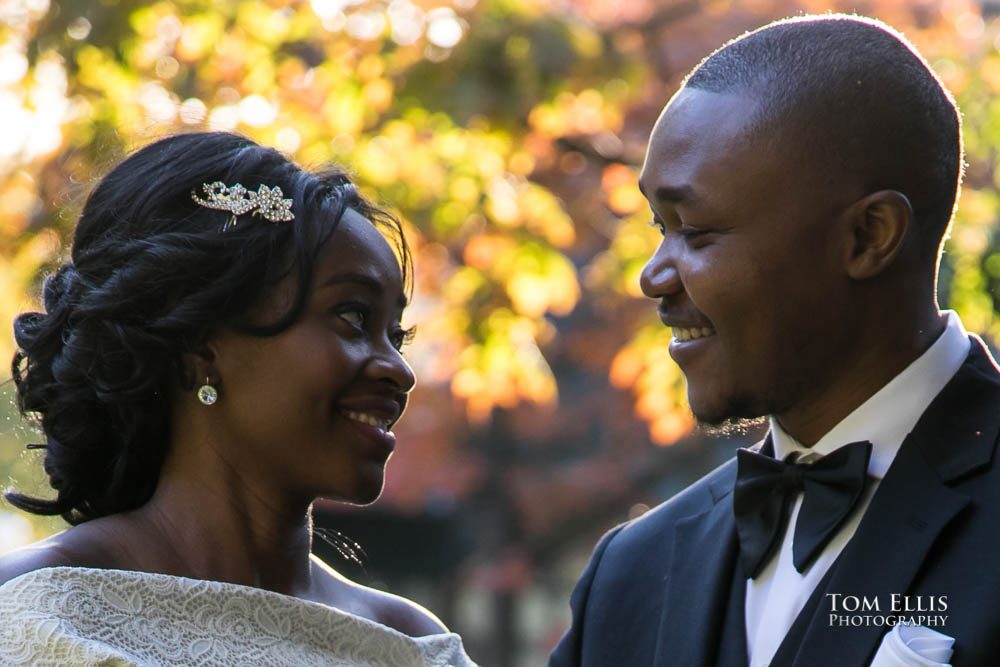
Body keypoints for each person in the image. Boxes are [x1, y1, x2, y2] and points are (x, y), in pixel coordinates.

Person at [551, 14, 1000, 667]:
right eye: (657, 225)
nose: (651, 277)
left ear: (869, 236)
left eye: (696, 232)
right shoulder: (629, 576)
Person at [0, 131, 476, 666]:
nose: (399, 370)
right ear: (202, 343)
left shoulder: (409, 644)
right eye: (353, 316)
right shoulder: (38, 609)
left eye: (397, 334)